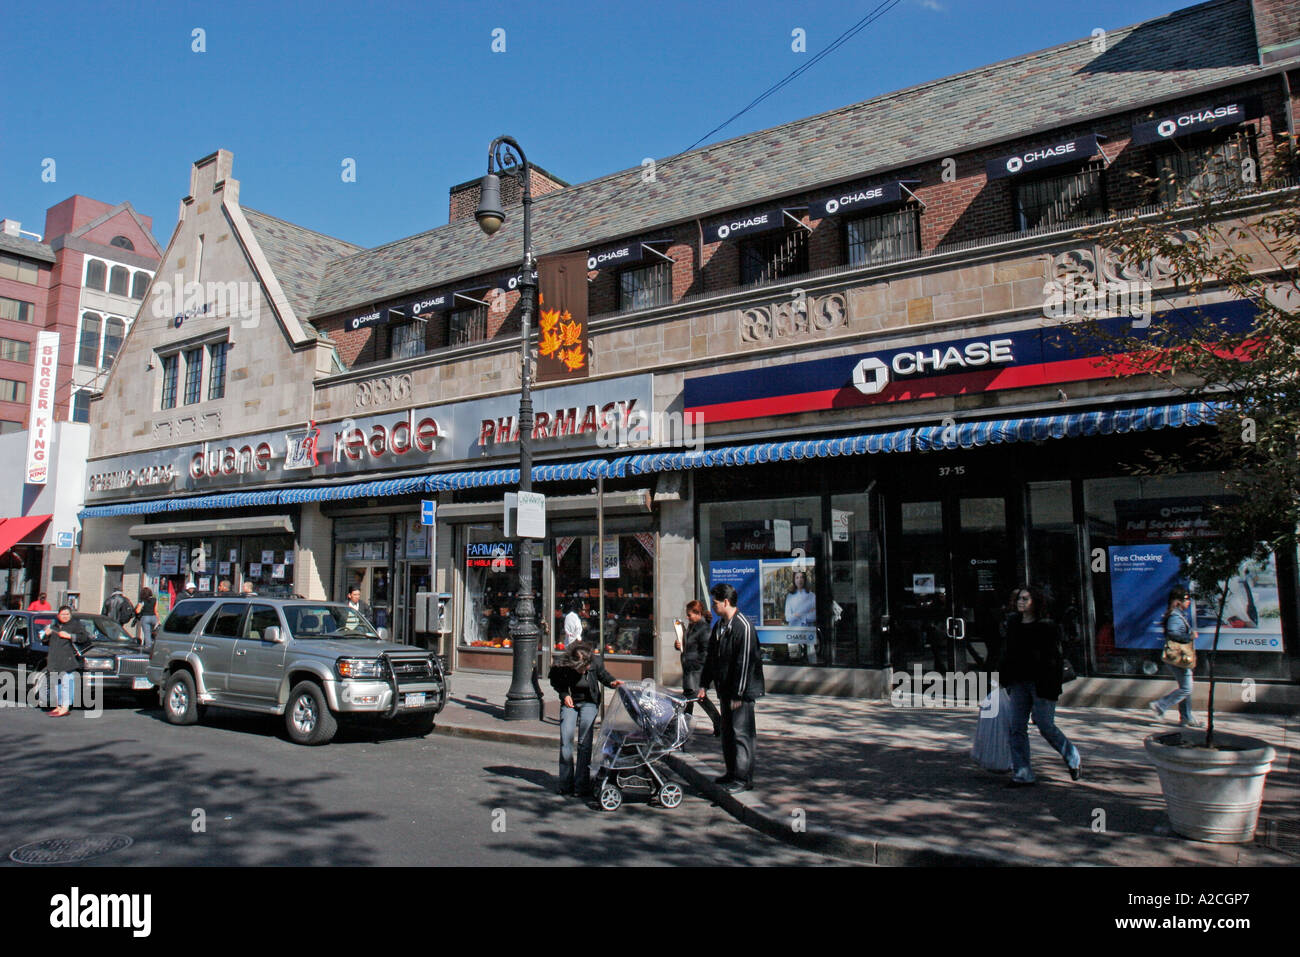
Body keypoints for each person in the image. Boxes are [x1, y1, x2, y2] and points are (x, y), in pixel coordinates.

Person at [1000, 585, 1081, 786]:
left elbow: (1054, 658)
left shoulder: (1047, 626)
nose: (1021, 602)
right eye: (1019, 598)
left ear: (1035, 602)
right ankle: (1022, 773)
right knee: (1016, 727)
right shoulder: (1013, 623)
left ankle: (1072, 756)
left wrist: (1051, 685)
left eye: (1025, 599)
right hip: (1018, 682)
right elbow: (1007, 653)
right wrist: (1004, 679)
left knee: (1045, 725)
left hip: (1041, 683)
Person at [700, 582, 764, 793]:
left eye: (715, 602)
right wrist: (704, 684)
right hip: (725, 689)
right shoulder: (719, 626)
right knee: (728, 733)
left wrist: (739, 693)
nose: (713, 606)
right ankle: (731, 772)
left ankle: (743, 778)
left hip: (740, 693)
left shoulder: (743, 626)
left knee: (741, 734)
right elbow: (711, 658)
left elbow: (745, 662)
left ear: (726, 602)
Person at [547, 641, 622, 796]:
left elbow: (603, 675)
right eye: (581, 668)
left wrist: (613, 683)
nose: (585, 670)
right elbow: (556, 682)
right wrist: (564, 694)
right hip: (570, 702)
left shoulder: (595, 662)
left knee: (584, 742)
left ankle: (581, 785)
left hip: (589, 701)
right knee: (566, 740)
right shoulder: (561, 665)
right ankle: (565, 784)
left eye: (586, 667)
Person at [1147, 585, 1202, 727]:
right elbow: (1172, 633)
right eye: (1186, 599)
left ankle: (1186, 717)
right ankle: (1160, 705)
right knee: (1186, 688)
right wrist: (1190, 636)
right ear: (1178, 601)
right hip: (1179, 657)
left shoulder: (1177, 615)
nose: (1188, 602)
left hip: (1179, 658)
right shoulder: (1175, 616)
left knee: (1185, 688)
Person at [675, 599, 721, 736]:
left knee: (694, 698)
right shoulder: (692, 626)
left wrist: (697, 665)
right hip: (689, 668)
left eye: (689, 615)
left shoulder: (704, 628)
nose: (687, 617)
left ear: (698, 613)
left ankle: (684, 728)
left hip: (696, 671)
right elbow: (687, 643)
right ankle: (685, 728)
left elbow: (706, 651)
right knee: (692, 699)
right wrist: (678, 645)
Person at [42, 606, 88, 717]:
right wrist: (46, 635)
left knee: (66, 683)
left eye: (67, 614)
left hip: (67, 659)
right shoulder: (54, 625)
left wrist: (70, 636)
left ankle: (65, 707)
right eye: (63, 614)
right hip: (55, 659)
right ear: (58, 615)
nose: (65, 616)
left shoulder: (75, 625)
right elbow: (44, 641)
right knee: (57, 683)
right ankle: (58, 706)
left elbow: (84, 637)